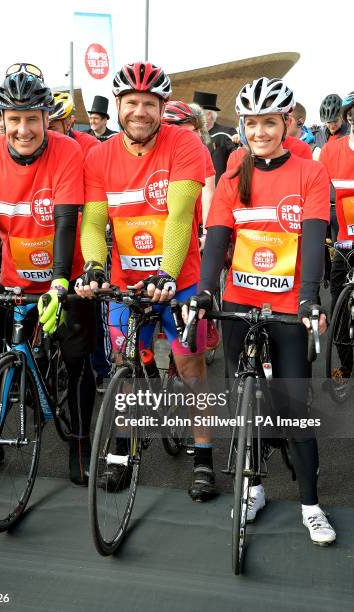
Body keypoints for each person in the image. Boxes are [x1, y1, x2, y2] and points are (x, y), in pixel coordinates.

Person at [185, 77, 336, 545]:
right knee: (241, 398)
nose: (260, 132)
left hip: (288, 305)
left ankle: (310, 504)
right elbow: (216, 243)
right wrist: (207, 292)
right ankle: (252, 488)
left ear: (286, 123)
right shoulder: (233, 176)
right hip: (241, 302)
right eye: (252, 124)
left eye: (269, 123)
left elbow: (312, 241)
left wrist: (309, 299)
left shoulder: (310, 173)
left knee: (293, 406)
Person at [0, 63, 96, 485]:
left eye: (32, 118)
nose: (24, 129)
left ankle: (80, 446)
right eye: (15, 120)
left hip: (66, 276)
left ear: (47, 117)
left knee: (77, 360)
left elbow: (67, 223)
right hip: (16, 275)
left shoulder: (67, 151)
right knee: (8, 356)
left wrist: (62, 282)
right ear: (2, 121)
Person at [76, 61, 217, 502]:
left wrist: (168, 273)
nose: (140, 111)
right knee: (127, 370)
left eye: (149, 104)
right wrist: (95, 265)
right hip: (126, 283)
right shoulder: (99, 156)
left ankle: (203, 456)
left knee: (192, 368)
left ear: (161, 108)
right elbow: (95, 220)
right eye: (132, 102)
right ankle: (122, 451)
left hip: (181, 280)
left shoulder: (186, 143)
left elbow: (178, 215)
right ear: (118, 105)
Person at [49, 91, 112, 390]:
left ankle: (100, 365)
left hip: (81, 227)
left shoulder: (86, 145)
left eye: (56, 123)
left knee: (92, 306)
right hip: (46, 231)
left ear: (70, 121)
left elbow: (94, 197)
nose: (50, 129)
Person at [162, 100, 219, 350]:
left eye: (183, 127)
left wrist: (207, 230)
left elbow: (208, 191)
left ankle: (209, 318)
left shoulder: (198, 150)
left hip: (189, 230)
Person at [320, 92, 354, 324]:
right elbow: (315, 193)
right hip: (345, 239)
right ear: (349, 118)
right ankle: (344, 360)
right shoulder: (331, 151)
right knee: (337, 294)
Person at [193, 90, 237, 183]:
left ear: (209, 115)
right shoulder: (192, 137)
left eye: (197, 114)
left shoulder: (226, 133)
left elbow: (239, 160)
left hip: (221, 191)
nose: (194, 117)